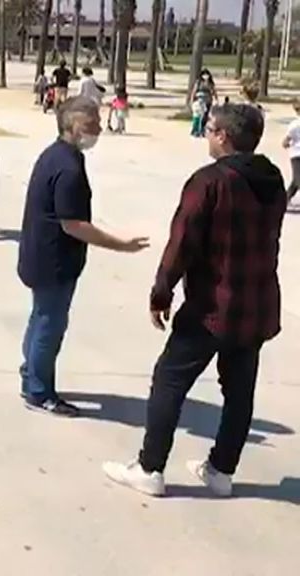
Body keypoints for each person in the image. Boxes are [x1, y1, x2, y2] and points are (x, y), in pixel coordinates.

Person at [103, 104, 287, 498]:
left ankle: (150, 467)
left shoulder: (209, 182)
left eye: (210, 129)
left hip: (212, 307)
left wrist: (161, 290)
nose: (206, 134)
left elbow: (182, 241)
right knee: (239, 390)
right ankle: (221, 470)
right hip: (256, 304)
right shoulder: (272, 179)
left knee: (169, 379)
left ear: (223, 136)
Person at [17, 97, 150, 417]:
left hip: (39, 254)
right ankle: (39, 391)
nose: (98, 130)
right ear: (73, 127)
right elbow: (74, 225)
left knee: (40, 318)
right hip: (54, 261)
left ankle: (31, 376)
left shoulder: (54, 155)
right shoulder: (68, 167)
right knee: (50, 325)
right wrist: (121, 244)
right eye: (92, 125)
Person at [283, 100, 300, 201]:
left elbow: (285, 142)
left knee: (296, 180)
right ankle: (285, 198)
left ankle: (285, 199)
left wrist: (287, 144)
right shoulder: (294, 125)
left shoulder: (294, 125)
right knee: (298, 180)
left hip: (295, 154)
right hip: (296, 155)